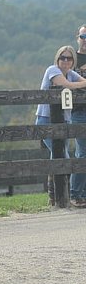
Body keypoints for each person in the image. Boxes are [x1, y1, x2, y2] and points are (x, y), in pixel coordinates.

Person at [35, 45, 86, 207]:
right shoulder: (52, 70)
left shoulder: (70, 73)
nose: (65, 61)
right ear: (57, 59)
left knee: (56, 157)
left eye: (69, 58)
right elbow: (65, 84)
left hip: (64, 121)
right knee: (62, 155)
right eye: (62, 57)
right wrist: (80, 84)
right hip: (46, 120)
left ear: (73, 61)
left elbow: (80, 81)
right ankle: (60, 195)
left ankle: (54, 197)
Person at [70, 25, 86, 208]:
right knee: (82, 153)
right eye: (83, 36)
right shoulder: (70, 57)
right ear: (78, 37)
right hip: (78, 111)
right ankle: (76, 194)